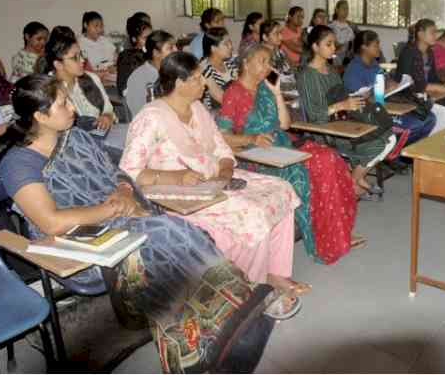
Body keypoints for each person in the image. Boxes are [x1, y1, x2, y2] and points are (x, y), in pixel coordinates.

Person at [0, 74, 280, 371]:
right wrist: (114, 208)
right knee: (164, 236)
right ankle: (198, 345)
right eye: (63, 103)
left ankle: (230, 315)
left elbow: (117, 173)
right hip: (75, 244)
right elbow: (51, 222)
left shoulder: (76, 137)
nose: (73, 108)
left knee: (182, 230)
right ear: (40, 116)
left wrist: (122, 190)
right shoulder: (18, 163)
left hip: (117, 217)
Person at [120, 52, 310, 312]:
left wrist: (224, 171)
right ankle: (249, 295)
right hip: (177, 193)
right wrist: (175, 176)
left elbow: (222, 149)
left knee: (280, 190)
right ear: (179, 83)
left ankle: (274, 274)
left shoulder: (198, 110)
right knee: (252, 213)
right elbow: (129, 172)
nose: (204, 83)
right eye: (198, 79)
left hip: (214, 180)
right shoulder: (150, 118)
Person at [219, 45, 362, 263]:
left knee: (329, 158)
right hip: (255, 155)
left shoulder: (266, 88)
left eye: (269, 62)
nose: (268, 67)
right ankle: (321, 243)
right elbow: (222, 136)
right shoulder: (233, 93)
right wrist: (251, 139)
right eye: (262, 61)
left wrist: (276, 93)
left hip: (283, 146)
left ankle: (338, 234)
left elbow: (285, 125)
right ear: (246, 63)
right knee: (302, 172)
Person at [298, 26, 396, 198]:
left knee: (389, 135)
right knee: (381, 143)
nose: (334, 48)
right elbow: (313, 115)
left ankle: (354, 180)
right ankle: (354, 182)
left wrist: (357, 96)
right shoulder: (307, 76)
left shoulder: (332, 71)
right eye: (328, 44)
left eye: (334, 44)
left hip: (343, 123)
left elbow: (341, 96)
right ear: (315, 47)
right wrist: (341, 105)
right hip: (325, 131)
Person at [344, 30, 436, 145]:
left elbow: (384, 82)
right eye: (375, 45)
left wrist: (397, 84)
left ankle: (404, 152)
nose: (379, 48)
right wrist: (384, 90)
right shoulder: (353, 70)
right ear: (364, 47)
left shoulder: (373, 64)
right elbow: (360, 100)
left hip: (385, 106)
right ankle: (394, 154)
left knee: (430, 118)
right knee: (414, 124)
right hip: (369, 114)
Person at [396, 19, 445, 127]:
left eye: (436, 32)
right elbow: (409, 83)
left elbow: (433, 77)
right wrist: (435, 88)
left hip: (425, 93)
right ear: (420, 34)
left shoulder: (429, 52)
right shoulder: (408, 53)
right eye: (432, 32)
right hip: (409, 97)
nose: (436, 35)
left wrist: (444, 85)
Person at [43, 26, 115, 133]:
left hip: (101, 136)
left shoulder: (91, 78)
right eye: (74, 58)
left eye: (81, 55)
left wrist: (107, 116)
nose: (82, 60)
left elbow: (108, 108)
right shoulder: (50, 91)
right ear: (58, 64)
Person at [124, 30, 177, 117]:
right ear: (156, 53)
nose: (176, 50)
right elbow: (140, 111)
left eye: (175, 46)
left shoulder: (174, 71)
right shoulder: (139, 77)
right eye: (170, 48)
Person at [200, 27, 238, 111]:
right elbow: (221, 98)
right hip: (215, 114)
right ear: (213, 48)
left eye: (230, 42)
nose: (231, 47)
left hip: (234, 108)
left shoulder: (229, 64)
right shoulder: (203, 69)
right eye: (226, 44)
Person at [116, 16, 152, 96]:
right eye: (145, 38)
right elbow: (123, 89)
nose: (150, 41)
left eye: (151, 37)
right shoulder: (126, 57)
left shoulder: (152, 53)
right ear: (134, 39)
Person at [79, 11, 117, 75]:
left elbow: (116, 57)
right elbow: (85, 71)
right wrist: (106, 71)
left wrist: (115, 66)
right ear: (85, 25)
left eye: (101, 26)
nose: (99, 29)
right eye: (96, 26)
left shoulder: (104, 40)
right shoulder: (80, 44)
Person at [329, 0, 359, 66]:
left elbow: (357, 40)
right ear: (337, 10)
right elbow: (332, 44)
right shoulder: (331, 26)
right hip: (336, 54)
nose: (346, 11)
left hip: (350, 54)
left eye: (347, 9)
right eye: (343, 8)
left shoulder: (352, 25)